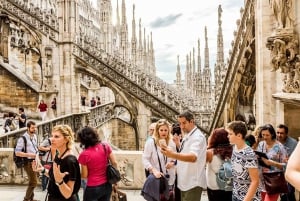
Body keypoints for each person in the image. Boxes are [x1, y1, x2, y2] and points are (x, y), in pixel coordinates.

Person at [161, 111, 207, 201]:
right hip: (185, 181)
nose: (181, 126)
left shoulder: (198, 137)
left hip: (193, 183)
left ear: (192, 121)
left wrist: (172, 154)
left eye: (184, 123)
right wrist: (178, 144)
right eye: (180, 123)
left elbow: (193, 157)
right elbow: (185, 152)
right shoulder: (188, 135)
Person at [33, 124, 81, 201]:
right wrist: (42, 169)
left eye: (57, 136)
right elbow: (54, 175)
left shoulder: (70, 161)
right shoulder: (59, 155)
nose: (52, 139)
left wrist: (60, 181)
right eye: (52, 136)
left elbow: (68, 194)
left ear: (66, 139)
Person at [77, 126, 118, 201]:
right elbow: (114, 163)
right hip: (107, 185)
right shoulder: (105, 146)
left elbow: (84, 175)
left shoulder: (84, 154)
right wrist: (115, 182)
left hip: (92, 187)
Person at [226, 121, 261, 201]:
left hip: (248, 198)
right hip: (236, 194)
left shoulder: (249, 154)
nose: (228, 136)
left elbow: (255, 181)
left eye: (230, 134)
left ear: (239, 136)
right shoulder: (234, 147)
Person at [142, 119, 176, 201]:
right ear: (157, 131)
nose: (163, 132)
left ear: (168, 131)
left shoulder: (171, 142)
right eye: (161, 130)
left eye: (165, 130)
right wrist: (154, 170)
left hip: (169, 178)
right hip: (156, 179)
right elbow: (145, 159)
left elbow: (176, 158)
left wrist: (172, 163)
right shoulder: (150, 142)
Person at [257, 124, 288, 201]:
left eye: (267, 135)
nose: (264, 137)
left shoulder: (280, 147)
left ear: (272, 134)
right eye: (263, 135)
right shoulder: (261, 144)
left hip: (273, 181)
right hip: (261, 181)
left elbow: (286, 166)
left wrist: (272, 163)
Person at [206, 128, 233, 201]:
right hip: (229, 185)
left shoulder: (210, 153)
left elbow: (198, 164)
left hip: (214, 187)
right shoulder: (232, 150)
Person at [15, 121, 39, 201]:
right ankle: (26, 199)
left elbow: (35, 147)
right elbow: (17, 153)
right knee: (34, 182)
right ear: (28, 128)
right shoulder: (22, 138)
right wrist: (31, 155)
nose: (34, 129)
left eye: (35, 127)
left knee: (32, 180)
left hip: (35, 161)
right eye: (32, 128)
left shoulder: (35, 136)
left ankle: (31, 198)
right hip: (27, 162)